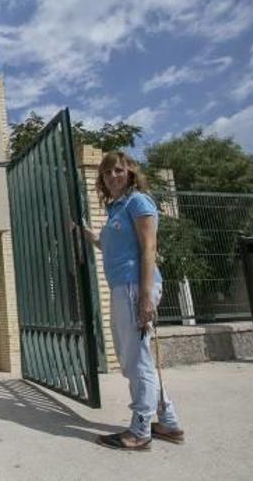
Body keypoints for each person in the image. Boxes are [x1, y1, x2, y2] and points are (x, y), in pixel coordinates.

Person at [82, 151, 185, 451]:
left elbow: (149, 248)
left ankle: (140, 430)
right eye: (106, 173)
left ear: (129, 172)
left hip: (134, 287)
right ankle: (168, 421)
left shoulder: (139, 201)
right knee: (139, 356)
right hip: (122, 286)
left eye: (117, 170)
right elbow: (111, 246)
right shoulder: (118, 208)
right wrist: (89, 235)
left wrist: (145, 297)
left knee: (135, 359)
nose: (112, 176)